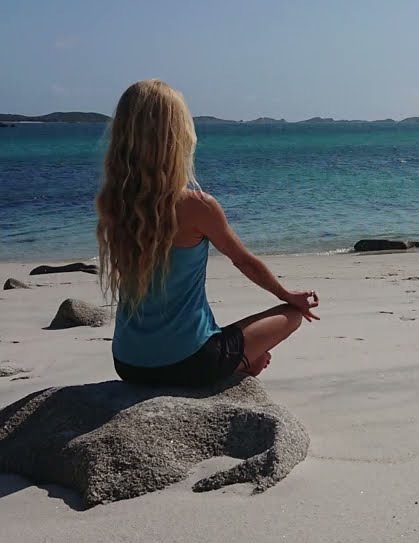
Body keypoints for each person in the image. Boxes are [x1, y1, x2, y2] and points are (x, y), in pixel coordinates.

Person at [97, 79, 319, 387]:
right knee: (291, 314)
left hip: (128, 363)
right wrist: (287, 295)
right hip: (190, 362)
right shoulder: (197, 205)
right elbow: (244, 261)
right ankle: (237, 365)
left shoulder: (112, 202)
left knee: (223, 334)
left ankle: (238, 360)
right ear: (177, 135)